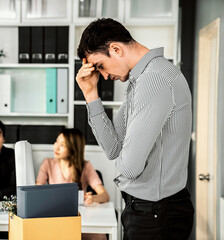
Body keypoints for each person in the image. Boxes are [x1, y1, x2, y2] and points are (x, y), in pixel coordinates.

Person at [75, 18, 194, 240]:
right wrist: (90, 93)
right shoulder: (140, 81)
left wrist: (125, 159)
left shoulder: (154, 80)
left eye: (100, 66)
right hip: (151, 212)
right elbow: (113, 149)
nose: (104, 76)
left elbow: (128, 167)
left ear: (116, 49)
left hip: (156, 215)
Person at [36, 128, 110, 204]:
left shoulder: (86, 165)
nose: (56, 147)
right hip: (55, 208)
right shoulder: (47, 163)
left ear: (73, 148)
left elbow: (105, 196)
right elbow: (37, 193)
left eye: (62, 145)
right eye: (56, 141)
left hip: (79, 211)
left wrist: (92, 198)